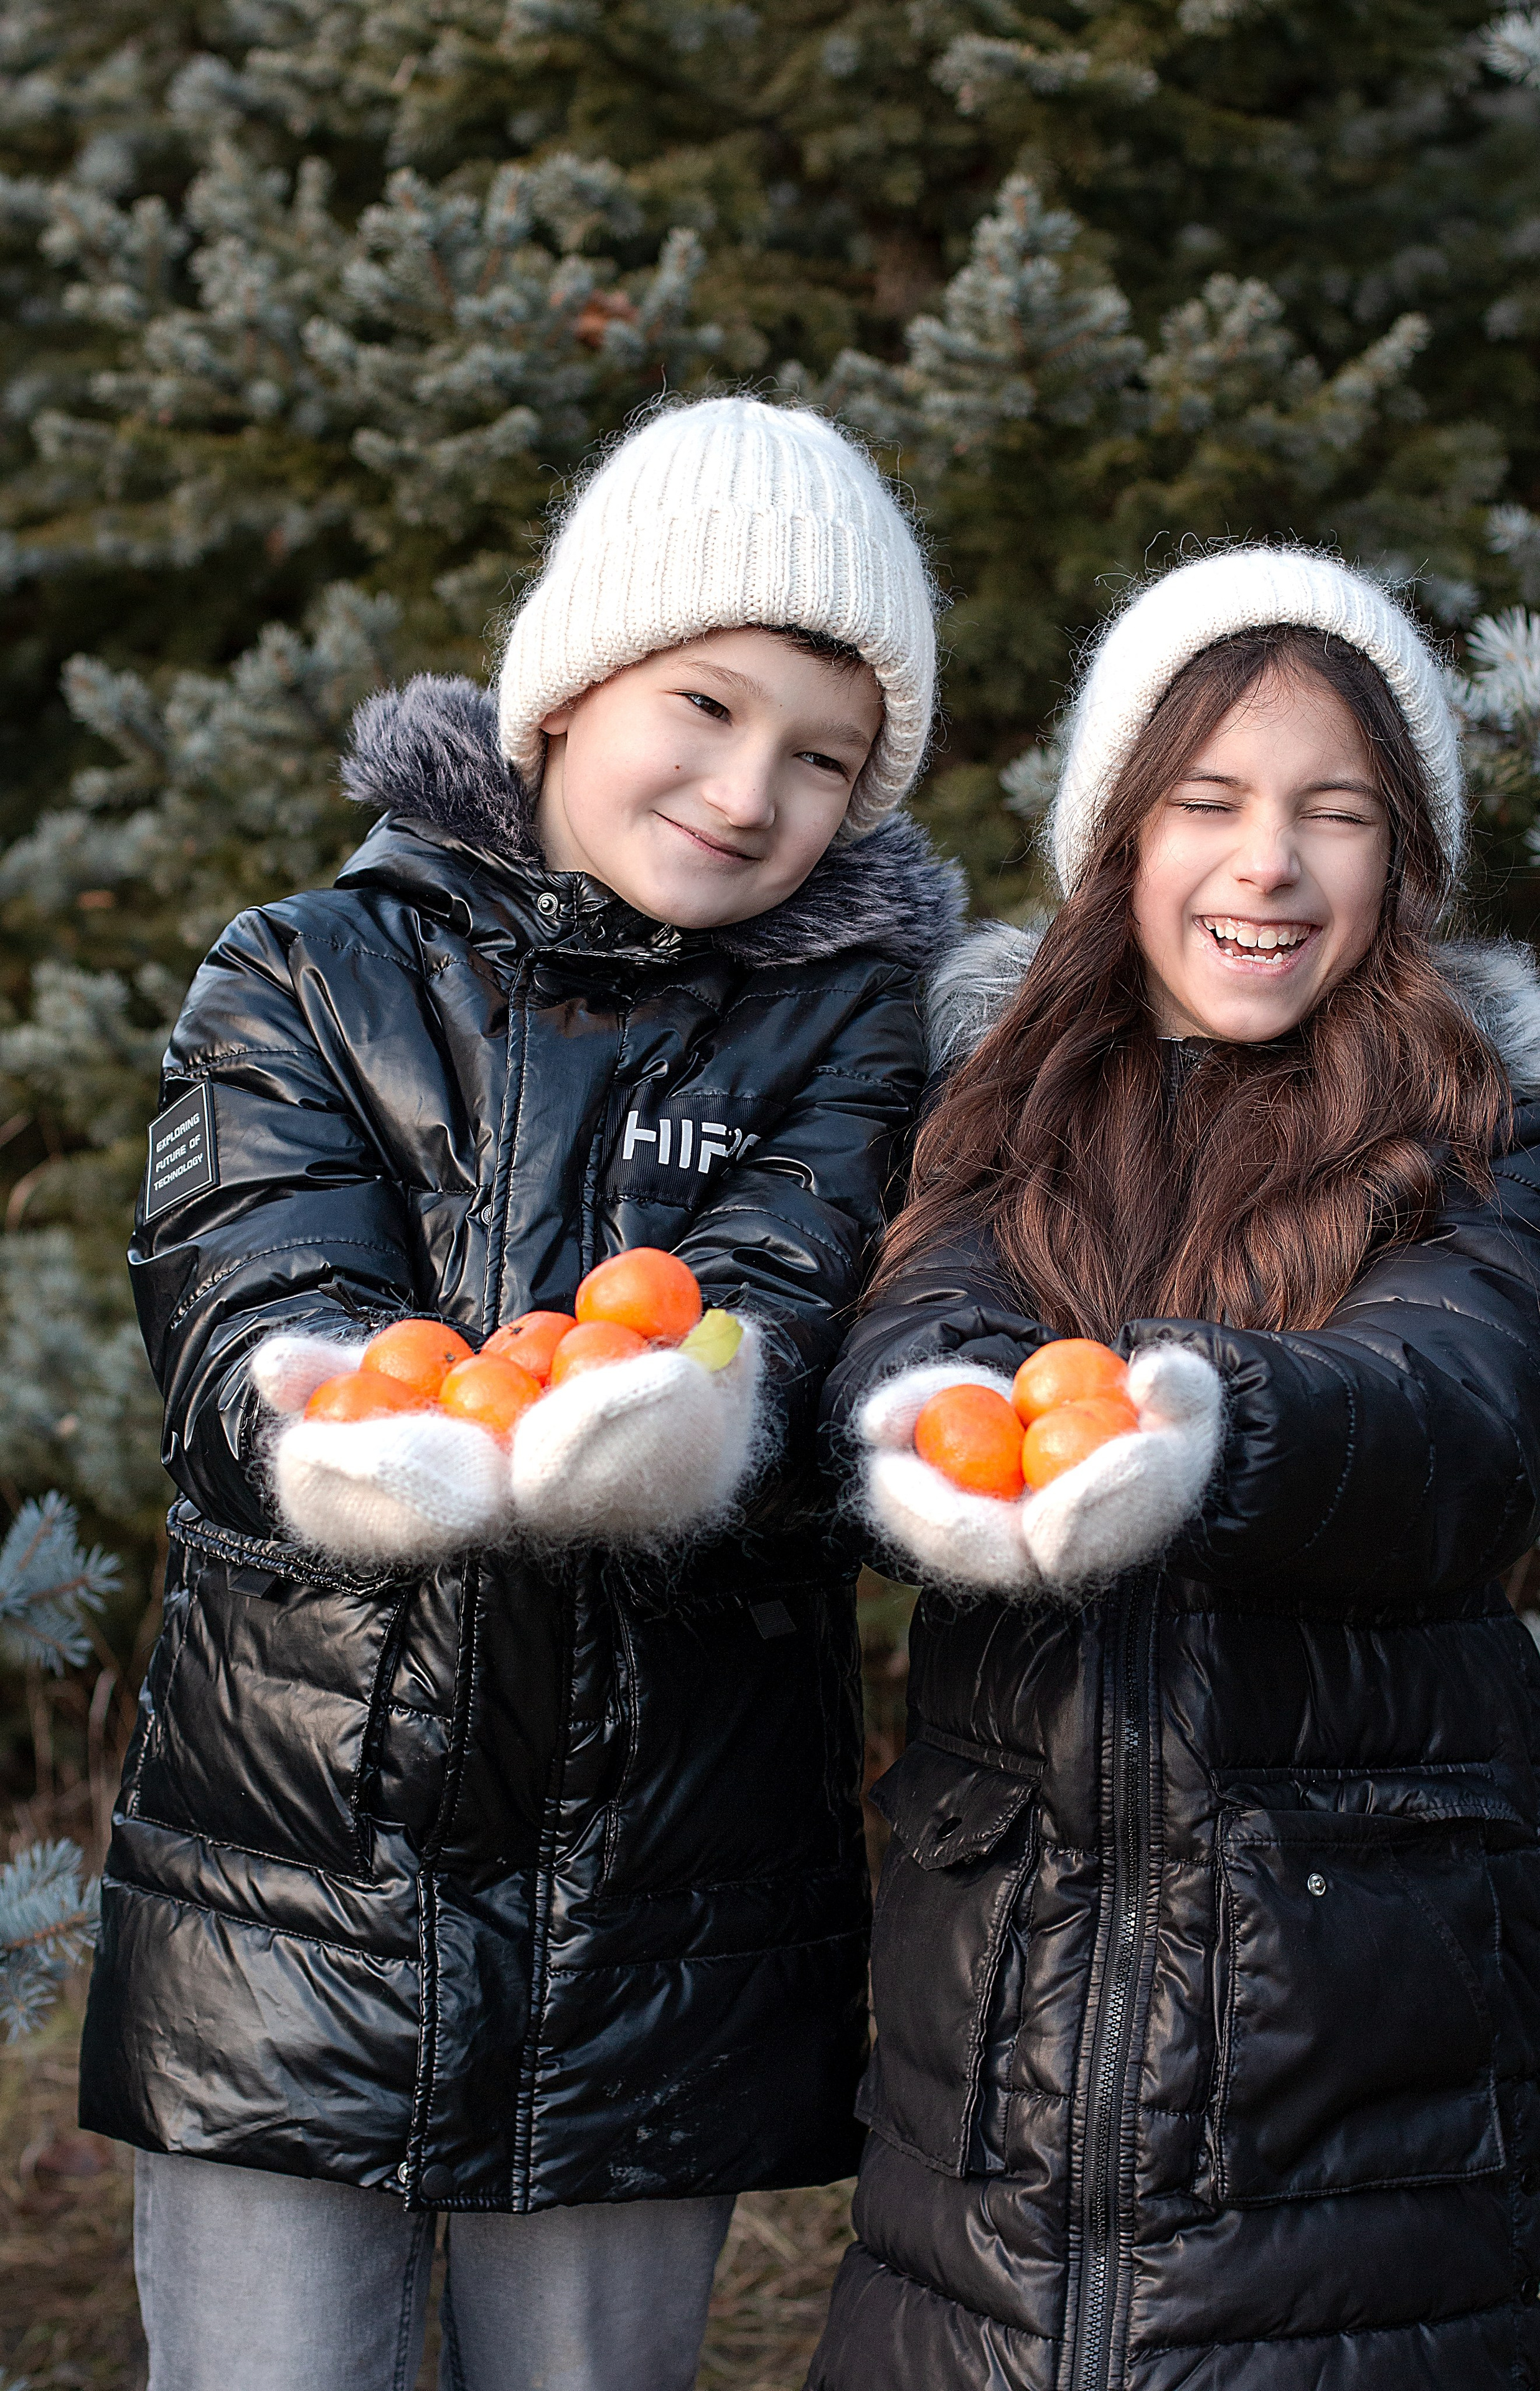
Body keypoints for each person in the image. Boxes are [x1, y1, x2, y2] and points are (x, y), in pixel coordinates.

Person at [78, 394, 964, 2391]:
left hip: (654, 1908)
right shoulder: (303, 975)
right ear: (569, 691)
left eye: (826, 760)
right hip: (294, 1887)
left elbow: (792, 1293)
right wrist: (331, 1417)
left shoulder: (856, 1036)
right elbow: (254, 1297)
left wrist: (693, 1424)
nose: (751, 792)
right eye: (707, 707)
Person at [806, 547, 1540, 2390]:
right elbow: (924, 1334)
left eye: (1336, 813)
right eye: (1210, 804)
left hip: (1344, 2032)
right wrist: (935, 1438)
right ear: (1118, 841)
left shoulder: (1489, 1130)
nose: (1268, 864)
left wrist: (1196, 1421)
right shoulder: (1005, 1109)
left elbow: (1455, 1412)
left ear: (1400, 859)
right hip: (1002, 2045)